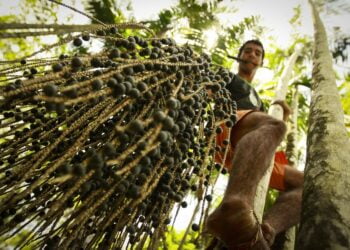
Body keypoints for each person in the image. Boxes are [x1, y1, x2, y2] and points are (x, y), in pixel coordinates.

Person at [206, 40, 304, 249]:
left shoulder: (257, 100)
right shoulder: (228, 78)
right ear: (239, 55)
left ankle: (264, 230)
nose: (252, 55)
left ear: (260, 61)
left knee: (305, 184)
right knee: (274, 125)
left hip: (246, 147)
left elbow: (265, 138)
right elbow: (203, 89)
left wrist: (283, 116)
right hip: (225, 126)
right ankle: (236, 206)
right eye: (248, 51)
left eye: (257, 53)